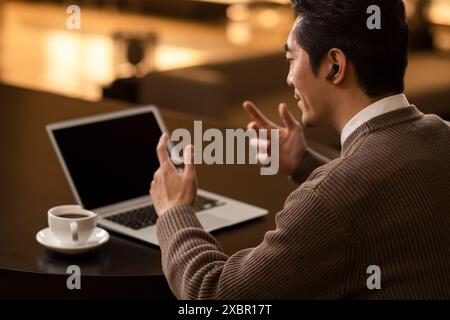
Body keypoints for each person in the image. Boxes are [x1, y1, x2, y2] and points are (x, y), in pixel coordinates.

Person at [149, 0, 450, 299]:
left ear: (335, 66)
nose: (289, 78)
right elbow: (384, 196)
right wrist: (304, 163)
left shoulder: (328, 199)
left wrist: (175, 210)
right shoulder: (442, 134)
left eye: (292, 59)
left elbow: (214, 295)